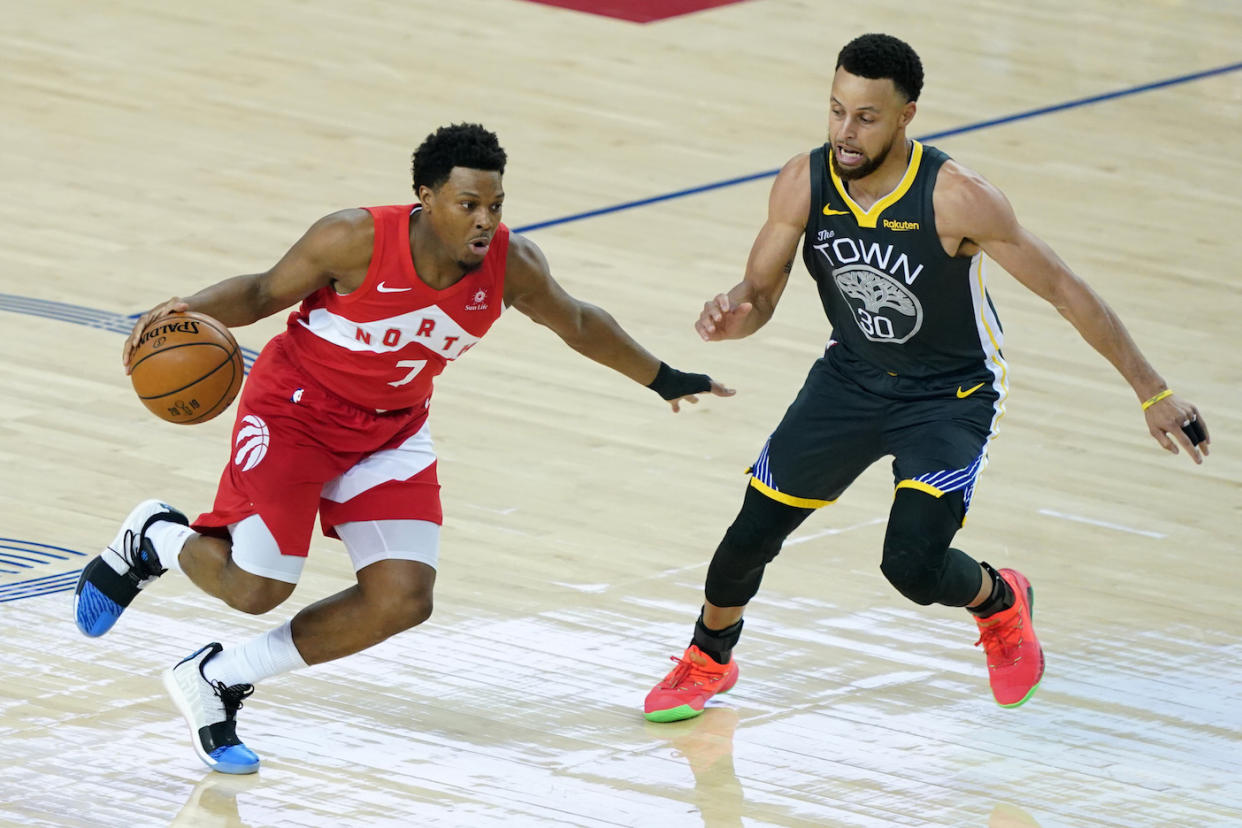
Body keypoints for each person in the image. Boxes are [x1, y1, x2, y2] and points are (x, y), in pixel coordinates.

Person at [73, 123, 733, 774]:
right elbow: (260, 292)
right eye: (468, 204)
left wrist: (661, 377)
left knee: (403, 600)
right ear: (426, 196)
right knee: (256, 589)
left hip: (391, 428)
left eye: (495, 206)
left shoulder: (513, 265)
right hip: (295, 413)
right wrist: (184, 313)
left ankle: (217, 678)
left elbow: (581, 323)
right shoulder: (354, 237)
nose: (484, 221)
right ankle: (155, 537)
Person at [643, 33, 1209, 723]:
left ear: (907, 115)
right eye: (836, 111)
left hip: (950, 395)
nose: (845, 134)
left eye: (867, 117)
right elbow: (759, 295)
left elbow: (1064, 288)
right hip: (849, 379)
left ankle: (1000, 601)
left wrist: (1152, 391)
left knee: (910, 564)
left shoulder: (959, 199)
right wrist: (735, 315)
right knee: (746, 539)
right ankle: (709, 658)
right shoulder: (804, 180)